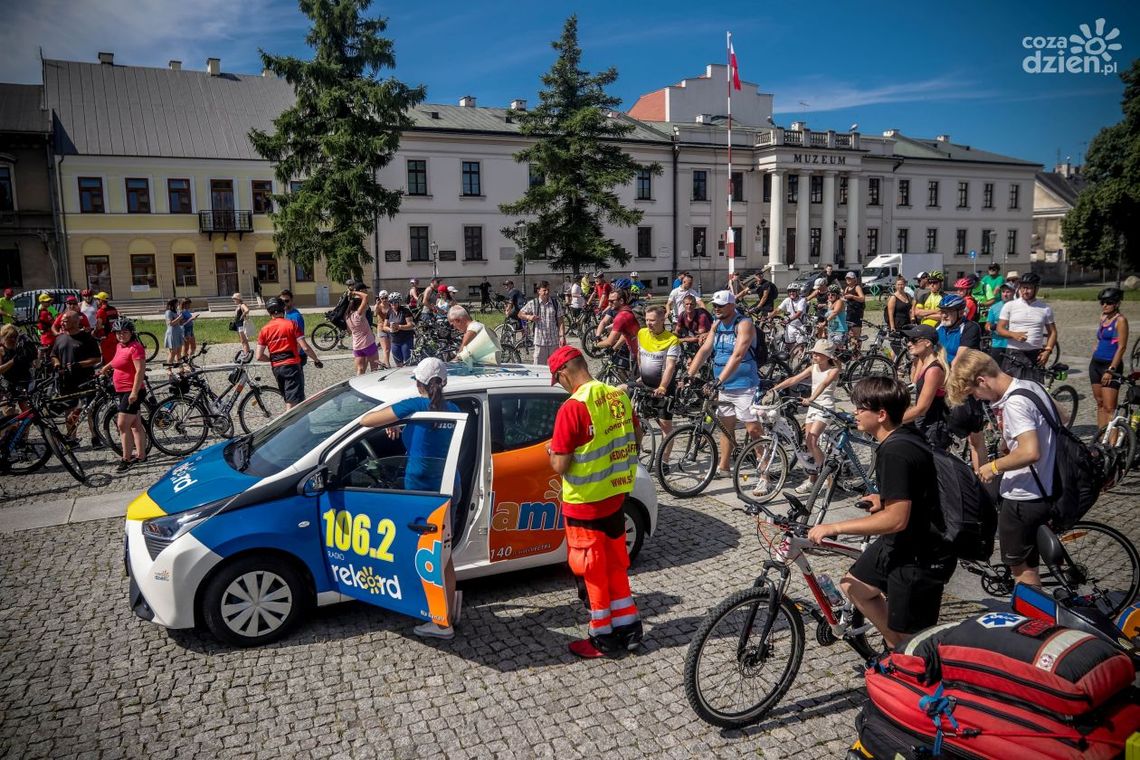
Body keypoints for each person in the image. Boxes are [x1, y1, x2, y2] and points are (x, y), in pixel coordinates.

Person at [808, 376, 955, 650]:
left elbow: (896, 519)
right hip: (902, 542)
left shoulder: (896, 451)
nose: (855, 413)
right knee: (854, 585)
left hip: (920, 554)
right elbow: (915, 487)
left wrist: (834, 528)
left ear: (882, 414)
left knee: (914, 644)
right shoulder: (904, 435)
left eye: (861, 408)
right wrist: (883, 498)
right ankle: (894, 648)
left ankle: (904, 661)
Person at [546, 345, 642, 657]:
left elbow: (560, 465)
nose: (559, 384)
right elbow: (636, 437)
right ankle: (629, 628)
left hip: (584, 503)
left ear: (563, 373)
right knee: (616, 564)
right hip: (615, 498)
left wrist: (552, 453)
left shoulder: (572, 408)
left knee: (591, 569)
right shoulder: (618, 396)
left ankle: (602, 637)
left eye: (557, 379)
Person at [361, 357, 462, 640]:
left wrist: (399, 417)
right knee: (444, 555)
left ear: (418, 383)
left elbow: (367, 420)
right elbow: (430, 440)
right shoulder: (452, 410)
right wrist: (405, 425)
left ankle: (441, 624)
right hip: (448, 489)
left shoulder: (416, 406)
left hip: (421, 493)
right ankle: (448, 612)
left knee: (425, 556)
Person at [947, 349, 1055, 587]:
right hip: (1046, 486)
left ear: (982, 381)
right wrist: (1013, 439)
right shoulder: (1030, 386)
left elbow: (1030, 452)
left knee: (1024, 573)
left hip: (1024, 495)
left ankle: (1031, 620)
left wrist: (993, 467)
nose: (978, 398)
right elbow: (1062, 417)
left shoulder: (1015, 403)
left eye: (974, 392)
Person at [686, 290, 762, 476]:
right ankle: (724, 467)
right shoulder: (717, 324)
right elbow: (705, 350)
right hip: (725, 386)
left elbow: (737, 355)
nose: (716, 308)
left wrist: (719, 380)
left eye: (720, 305)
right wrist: (689, 374)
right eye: (714, 305)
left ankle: (764, 473)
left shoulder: (744, 324)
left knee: (753, 429)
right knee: (725, 426)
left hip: (744, 384)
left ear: (731, 305)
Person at [770, 339, 841, 494]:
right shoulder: (813, 367)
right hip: (812, 407)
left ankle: (827, 478)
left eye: (818, 354)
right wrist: (775, 389)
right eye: (814, 353)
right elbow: (795, 379)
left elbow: (823, 385)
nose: (814, 356)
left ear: (827, 356)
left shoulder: (833, 370)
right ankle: (812, 480)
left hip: (825, 407)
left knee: (812, 440)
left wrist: (811, 399)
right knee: (809, 444)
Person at [97, 319, 148, 472]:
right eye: (118, 333)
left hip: (132, 391)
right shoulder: (120, 346)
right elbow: (116, 361)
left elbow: (140, 371)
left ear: (131, 333)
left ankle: (126, 459)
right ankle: (141, 455)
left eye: (124, 332)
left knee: (122, 424)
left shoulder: (136, 348)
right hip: (122, 390)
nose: (121, 335)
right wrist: (105, 368)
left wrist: (134, 392)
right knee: (135, 425)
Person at [256, 297, 323, 409]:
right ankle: (289, 425)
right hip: (292, 367)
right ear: (283, 309)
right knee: (292, 404)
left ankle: (301, 423)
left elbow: (259, 356)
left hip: (277, 368)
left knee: (290, 398)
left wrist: (272, 359)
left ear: (269, 312)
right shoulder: (291, 324)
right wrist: (316, 360)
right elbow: (305, 348)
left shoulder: (264, 330)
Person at [51, 311, 102, 445]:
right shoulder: (60, 338)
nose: (62, 323)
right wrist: (56, 363)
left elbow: (97, 358)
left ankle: (95, 437)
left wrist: (79, 365)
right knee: (69, 410)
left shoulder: (87, 338)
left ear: (75, 322)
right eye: (62, 320)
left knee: (90, 410)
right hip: (66, 380)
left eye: (65, 320)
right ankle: (72, 438)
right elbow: (54, 354)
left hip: (86, 379)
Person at [996, 272, 1056, 382]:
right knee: (1011, 389)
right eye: (1023, 287)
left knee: (1034, 389)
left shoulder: (1045, 308)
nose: (1025, 291)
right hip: (1013, 353)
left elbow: (1052, 332)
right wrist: (1013, 334)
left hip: (1035, 354)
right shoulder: (1010, 306)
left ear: (1036, 289)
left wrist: (1048, 351)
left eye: (1029, 288)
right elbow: (1000, 329)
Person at [899, 324, 950, 448]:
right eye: (908, 340)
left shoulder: (934, 370)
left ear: (927, 343)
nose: (909, 344)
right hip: (923, 422)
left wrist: (893, 422)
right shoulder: (923, 363)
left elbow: (921, 408)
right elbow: (915, 386)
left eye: (914, 340)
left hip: (932, 426)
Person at [637, 305, 682, 442]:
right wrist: (641, 375)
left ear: (663, 320)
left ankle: (665, 462)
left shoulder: (672, 340)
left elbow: (670, 367)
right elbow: (640, 355)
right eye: (647, 320)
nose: (649, 324)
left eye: (652, 320)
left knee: (665, 428)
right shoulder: (641, 333)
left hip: (663, 389)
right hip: (645, 386)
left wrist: (662, 386)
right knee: (638, 424)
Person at [1090, 287, 1129, 431]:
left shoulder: (1121, 321)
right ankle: (1100, 439)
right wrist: (1098, 344)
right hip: (1095, 364)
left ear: (1117, 304)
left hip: (1110, 366)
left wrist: (1111, 370)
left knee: (1109, 407)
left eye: (1109, 303)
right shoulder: (1103, 317)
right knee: (1100, 403)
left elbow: (1122, 347)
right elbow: (1101, 337)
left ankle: (1112, 443)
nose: (1105, 305)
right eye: (1102, 302)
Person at [519, 280, 566, 364]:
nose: (547, 292)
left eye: (548, 290)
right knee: (539, 370)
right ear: (538, 291)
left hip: (554, 342)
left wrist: (562, 336)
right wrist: (529, 317)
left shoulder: (555, 303)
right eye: (544, 290)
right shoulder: (533, 303)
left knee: (555, 368)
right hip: (540, 342)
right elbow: (520, 314)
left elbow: (560, 321)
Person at [596, 289, 640, 372]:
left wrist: (596, 345)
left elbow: (609, 342)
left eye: (612, 301)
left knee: (632, 382)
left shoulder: (621, 316)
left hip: (639, 354)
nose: (609, 304)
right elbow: (626, 334)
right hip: (638, 352)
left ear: (621, 300)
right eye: (608, 301)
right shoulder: (627, 310)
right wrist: (614, 348)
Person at [346, 287, 380, 374]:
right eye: (363, 305)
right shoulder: (358, 314)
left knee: (360, 369)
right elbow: (365, 296)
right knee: (374, 368)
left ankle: (359, 385)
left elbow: (349, 332)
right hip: (368, 343)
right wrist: (354, 292)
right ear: (359, 306)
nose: (365, 306)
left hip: (357, 346)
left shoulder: (347, 317)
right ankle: (374, 386)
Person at [0, 323, 37, 395]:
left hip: (24, 380)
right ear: (5, 337)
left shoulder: (20, 347)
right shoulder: (1, 350)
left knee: (24, 402)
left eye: (15, 337)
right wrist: (13, 361)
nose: (13, 340)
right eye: (10, 337)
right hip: (9, 382)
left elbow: (33, 363)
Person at [985, 282, 1014, 364]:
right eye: (1003, 291)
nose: (1005, 294)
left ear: (1013, 292)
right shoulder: (994, 307)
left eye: (1008, 292)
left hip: (1013, 345)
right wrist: (992, 327)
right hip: (997, 344)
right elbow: (987, 325)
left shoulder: (1018, 306)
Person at [386, 294, 416, 366]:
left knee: (408, 362)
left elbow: (411, 325)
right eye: (391, 302)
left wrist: (399, 327)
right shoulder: (389, 312)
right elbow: (384, 326)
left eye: (395, 302)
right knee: (398, 363)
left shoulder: (405, 311)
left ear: (399, 302)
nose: (393, 304)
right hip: (395, 341)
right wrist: (390, 329)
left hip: (406, 340)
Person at [279, 289, 307, 365]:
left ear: (291, 301)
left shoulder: (295, 316)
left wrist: (294, 357)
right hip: (289, 354)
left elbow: (299, 340)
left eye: (286, 301)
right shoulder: (284, 314)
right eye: (282, 301)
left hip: (296, 355)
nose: (284, 303)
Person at [778, 284, 809, 349]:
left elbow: (799, 313)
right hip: (790, 326)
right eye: (790, 291)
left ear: (798, 292)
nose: (791, 293)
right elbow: (778, 310)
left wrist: (788, 319)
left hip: (800, 326)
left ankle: (802, 357)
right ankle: (791, 358)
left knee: (801, 346)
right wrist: (768, 317)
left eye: (793, 291)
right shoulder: (787, 300)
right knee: (789, 345)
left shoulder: (802, 300)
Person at [93, 292, 119, 364]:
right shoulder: (113, 309)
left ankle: (109, 372)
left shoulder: (101, 311)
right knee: (114, 354)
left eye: (97, 299)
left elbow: (99, 325)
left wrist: (94, 333)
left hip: (106, 336)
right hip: (115, 335)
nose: (96, 301)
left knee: (107, 356)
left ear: (101, 300)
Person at [841, 272, 865, 344]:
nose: (848, 280)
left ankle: (857, 350)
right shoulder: (847, 288)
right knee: (847, 332)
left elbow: (862, 298)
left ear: (854, 279)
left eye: (850, 278)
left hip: (856, 312)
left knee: (856, 332)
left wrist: (852, 296)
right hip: (849, 312)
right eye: (847, 278)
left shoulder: (857, 287)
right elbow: (845, 299)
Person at [162, 298, 184, 365]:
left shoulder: (176, 311)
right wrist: (179, 318)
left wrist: (181, 319)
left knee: (179, 352)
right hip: (172, 333)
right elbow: (170, 323)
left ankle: (181, 369)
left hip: (178, 333)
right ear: (173, 304)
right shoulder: (168, 312)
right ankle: (169, 370)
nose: (178, 304)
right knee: (173, 352)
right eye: (177, 303)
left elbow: (179, 323)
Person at [373, 291, 392, 367]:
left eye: (386, 298)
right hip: (381, 328)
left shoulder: (391, 305)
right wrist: (377, 305)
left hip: (389, 328)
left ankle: (384, 364)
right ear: (380, 298)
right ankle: (387, 365)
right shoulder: (379, 306)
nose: (384, 300)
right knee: (386, 348)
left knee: (388, 348)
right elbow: (374, 314)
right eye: (382, 298)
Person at [231, 292, 252, 357]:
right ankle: (247, 352)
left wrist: (242, 316)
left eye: (235, 299)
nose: (233, 300)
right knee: (243, 340)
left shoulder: (242, 305)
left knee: (243, 340)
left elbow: (247, 310)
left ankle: (246, 354)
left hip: (241, 324)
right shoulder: (239, 305)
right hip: (238, 324)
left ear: (238, 299)